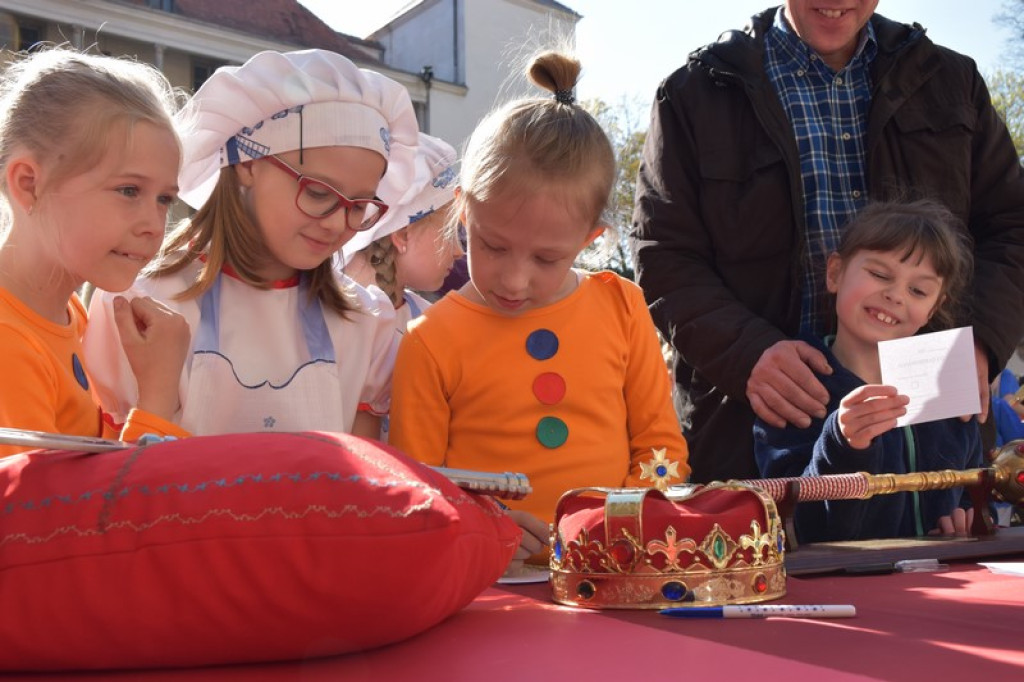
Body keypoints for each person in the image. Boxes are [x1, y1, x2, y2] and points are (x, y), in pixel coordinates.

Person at [631, 1, 1024, 484]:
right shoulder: (692, 94)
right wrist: (747, 352)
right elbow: (664, 255)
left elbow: (1013, 227)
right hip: (752, 439)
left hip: (935, 448)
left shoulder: (952, 80)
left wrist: (981, 339)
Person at [389, 51, 691, 570]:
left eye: (547, 258)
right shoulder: (430, 339)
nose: (513, 279)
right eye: (492, 246)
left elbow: (661, 448)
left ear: (590, 239)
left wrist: (627, 518)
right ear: (464, 210)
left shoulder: (621, 306)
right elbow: (420, 486)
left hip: (613, 569)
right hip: (488, 585)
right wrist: (485, 531)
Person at [83, 49, 418, 439]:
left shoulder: (364, 323)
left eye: (359, 206)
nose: (337, 223)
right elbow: (114, 475)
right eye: (317, 193)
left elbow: (363, 481)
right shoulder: (144, 306)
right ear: (246, 163)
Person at [754, 199, 983, 541]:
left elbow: (975, 495)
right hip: (840, 590)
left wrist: (967, 524)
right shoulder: (793, 386)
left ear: (934, 308)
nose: (895, 295)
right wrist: (842, 445)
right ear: (835, 273)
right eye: (879, 274)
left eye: (918, 290)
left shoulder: (947, 389)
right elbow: (792, 524)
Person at [0, 48, 191, 457]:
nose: (154, 225)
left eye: (164, 199)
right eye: (128, 191)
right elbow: (48, 517)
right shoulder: (7, 344)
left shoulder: (67, 310)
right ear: (29, 184)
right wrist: (158, 392)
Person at [341, 132, 462, 332]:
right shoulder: (328, 319)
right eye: (449, 233)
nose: (459, 251)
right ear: (403, 234)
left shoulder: (433, 325)